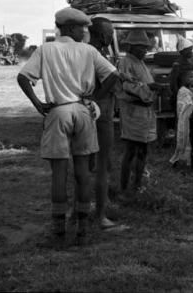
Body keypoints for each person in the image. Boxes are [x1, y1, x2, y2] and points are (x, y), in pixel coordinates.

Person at [17, 7, 122, 247]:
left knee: (59, 174)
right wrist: (94, 98)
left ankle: (59, 233)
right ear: (71, 28)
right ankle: (83, 232)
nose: (85, 32)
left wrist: (37, 104)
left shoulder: (46, 49)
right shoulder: (89, 50)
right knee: (83, 172)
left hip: (58, 111)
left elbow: (23, 77)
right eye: (82, 28)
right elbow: (114, 75)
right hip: (83, 111)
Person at [117, 30, 162, 193]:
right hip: (133, 112)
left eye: (146, 48)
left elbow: (142, 83)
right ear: (131, 47)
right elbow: (127, 86)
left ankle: (137, 185)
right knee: (132, 150)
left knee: (143, 150)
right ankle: (124, 188)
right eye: (141, 47)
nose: (145, 50)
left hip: (145, 112)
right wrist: (149, 87)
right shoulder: (125, 62)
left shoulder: (139, 62)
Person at [88, 17, 119, 229]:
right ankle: (100, 216)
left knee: (85, 164)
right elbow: (112, 76)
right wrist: (99, 98)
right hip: (102, 113)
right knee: (102, 166)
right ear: (101, 35)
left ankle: (80, 210)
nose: (111, 36)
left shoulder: (84, 51)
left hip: (85, 112)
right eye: (109, 33)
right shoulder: (96, 53)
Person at [169, 70, 193, 167]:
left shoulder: (192, 90)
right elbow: (184, 105)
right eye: (190, 77)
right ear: (183, 79)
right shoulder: (182, 91)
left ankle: (190, 161)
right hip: (184, 120)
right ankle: (181, 160)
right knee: (183, 140)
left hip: (192, 120)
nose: (192, 79)